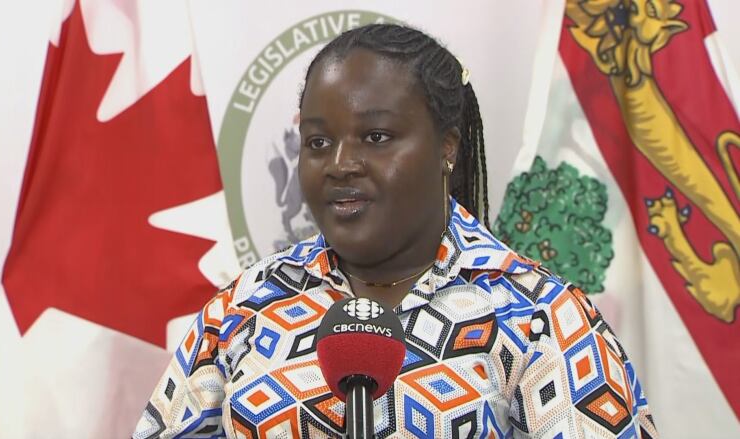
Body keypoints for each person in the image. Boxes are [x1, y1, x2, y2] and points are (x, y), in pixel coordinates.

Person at [133, 24, 657, 438]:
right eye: (318, 143)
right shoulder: (245, 307)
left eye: (376, 136)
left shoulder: (540, 316)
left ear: (447, 147)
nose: (340, 163)